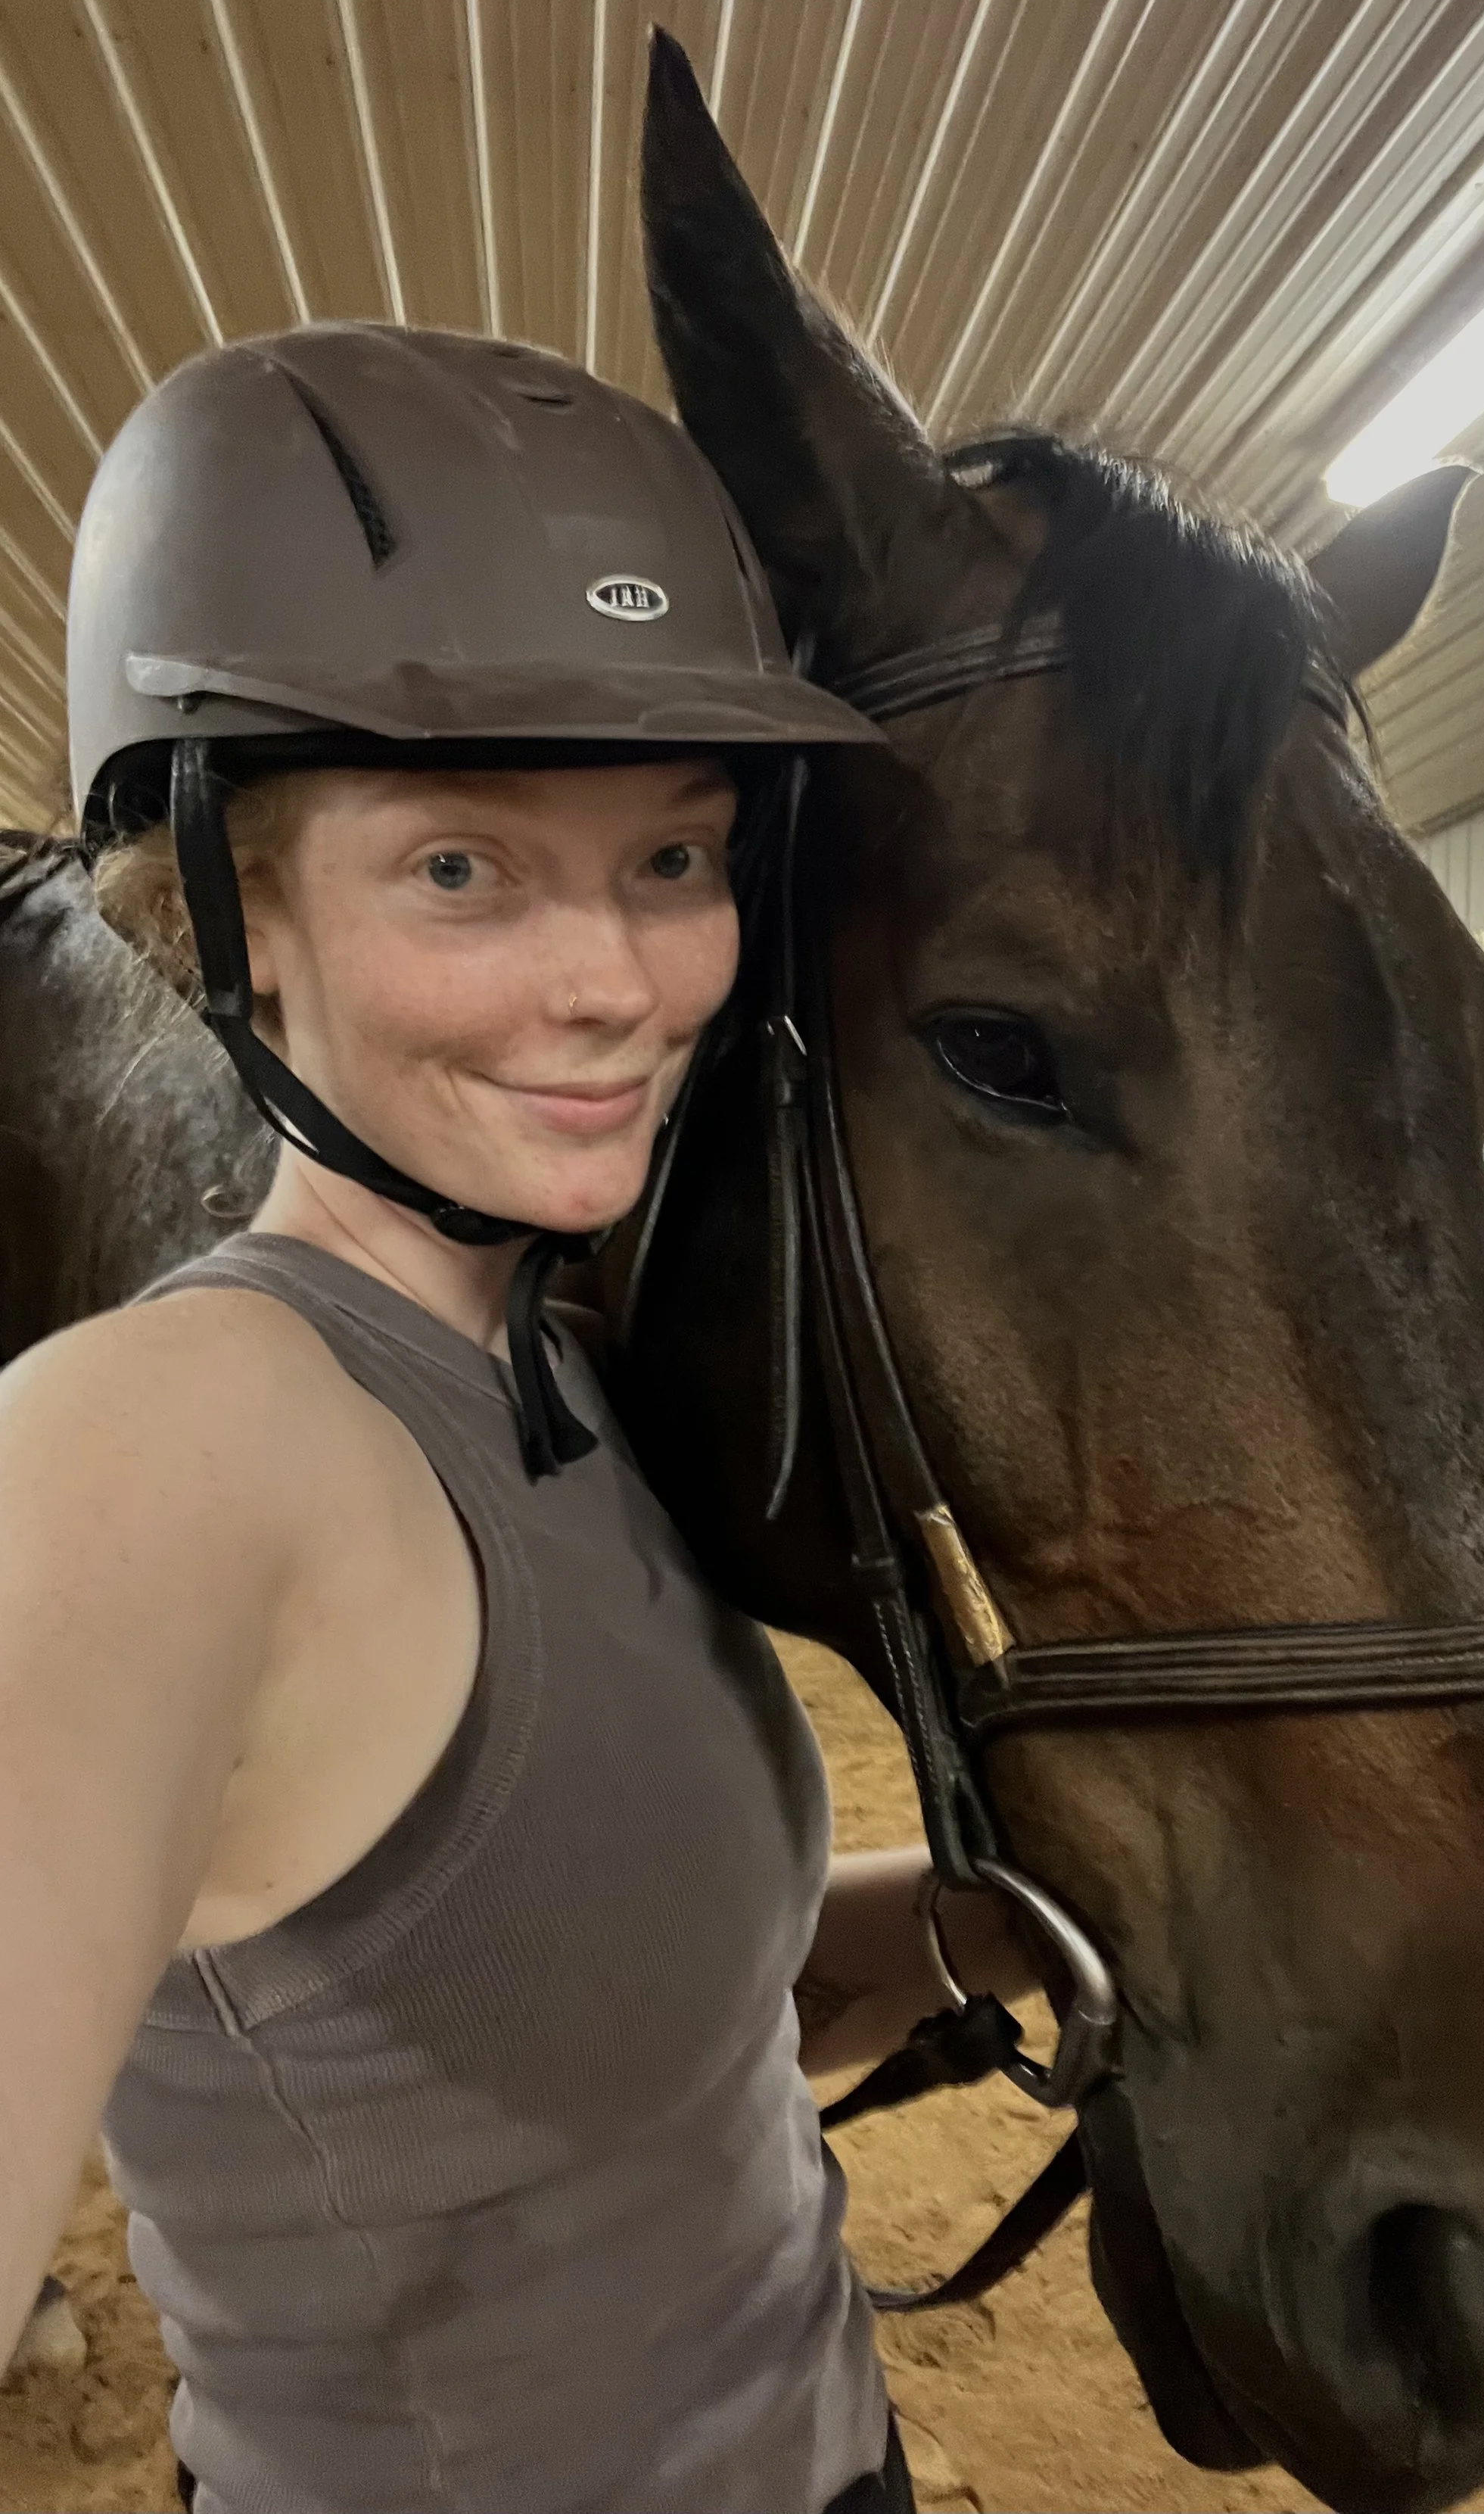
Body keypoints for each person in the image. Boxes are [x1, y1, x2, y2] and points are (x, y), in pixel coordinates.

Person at [0, 323, 1036, 2514]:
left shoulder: (550, 1363)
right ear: (234, 908)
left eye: (672, 859)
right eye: (464, 869)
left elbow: (595, 2039)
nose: (617, 979)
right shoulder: (150, 1447)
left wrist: (964, 1918)